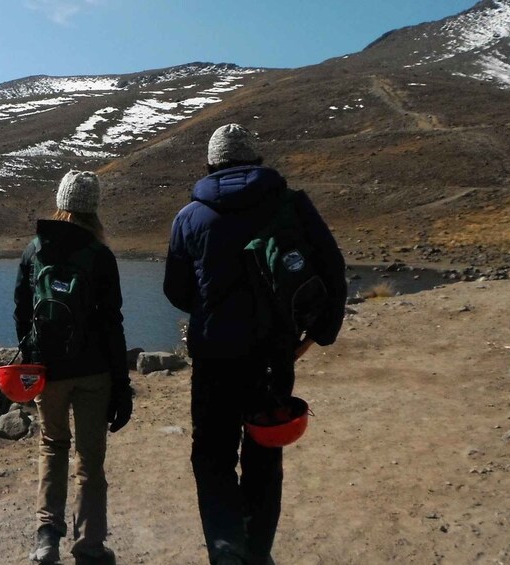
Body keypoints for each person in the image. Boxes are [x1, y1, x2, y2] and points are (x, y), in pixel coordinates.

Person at [163, 124, 347, 565]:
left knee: (212, 458)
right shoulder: (291, 205)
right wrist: (316, 336)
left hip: (215, 358)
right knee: (265, 453)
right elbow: (334, 270)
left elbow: (176, 291)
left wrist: (209, 308)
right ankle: (258, 553)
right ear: (255, 158)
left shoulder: (190, 217)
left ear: (211, 163)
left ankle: (227, 554)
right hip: (274, 354)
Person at [14, 170, 133, 565]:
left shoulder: (35, 249)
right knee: (90, 462)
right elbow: (112, 323)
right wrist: (121, 385)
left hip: (49, 373)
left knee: (52, 447)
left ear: (61, 203)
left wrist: (30, 359)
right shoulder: (100, 255)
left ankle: (46, 539)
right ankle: (89, 546)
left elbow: (20, 311)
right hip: (94, 372)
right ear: (93, 208)